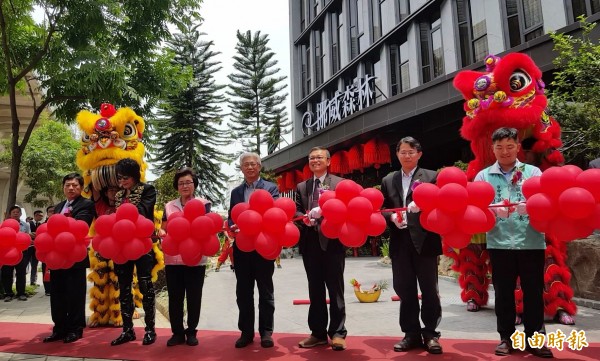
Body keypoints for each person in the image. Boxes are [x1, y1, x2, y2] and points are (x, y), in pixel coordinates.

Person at [474, 127, 552, 358]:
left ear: (518, 147)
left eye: (509, 146)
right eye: (499, 147)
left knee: (534, 293)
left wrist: (531, 207)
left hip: (530, 241)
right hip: (499, 244)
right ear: (493, 149)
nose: (505, 152)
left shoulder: (533, 172)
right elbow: (476, 209)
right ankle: (506, 338)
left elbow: (547, 203)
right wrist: (493, 212)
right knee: (504, 293)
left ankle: (535, 340)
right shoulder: (483, 177)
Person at [381, 137, 443, 354]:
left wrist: (424, 206)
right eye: (402, 152)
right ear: (397, 154)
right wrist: (391, 218)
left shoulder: (432, 176)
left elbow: (440, 204)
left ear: (419, 154)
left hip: (425, 240)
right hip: (400, 242)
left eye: (411, 152)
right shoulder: (389, 179)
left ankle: (431, 334)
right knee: (404, 289)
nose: (406, 156)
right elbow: (384, 207)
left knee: (429, 290)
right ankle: (411, 333)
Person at [294, 146, 347, 351]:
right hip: (311, 244)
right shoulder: (302, 187)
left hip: (333, 243)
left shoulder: (339, 184)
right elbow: (297, 210)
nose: (315, 160)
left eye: (319, 157)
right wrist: (304, 219)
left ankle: (338, 333)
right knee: (315, 290)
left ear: (328, 161)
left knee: (335, 290)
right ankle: (317, 333)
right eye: (311, 158)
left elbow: (345, 208)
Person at [228, 152, 278, 348]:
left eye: (253, 164)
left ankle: (266, 332)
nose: (249, 167)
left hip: (264, 245)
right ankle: (246, 333)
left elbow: (274, 213)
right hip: (242, 247)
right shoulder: (236, 192)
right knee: (243, 292)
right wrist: (233, 226)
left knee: (266, 291)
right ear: (241, 168)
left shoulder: (271, 188)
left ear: (259, 167)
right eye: (245, 164)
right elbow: (232, 216)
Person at [159, 167, 210, 347]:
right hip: (173, 259)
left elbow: (209, 227)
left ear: (194, 184)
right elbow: (163, 227)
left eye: (188, 182)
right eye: (181, 183)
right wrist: (161, 231)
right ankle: (177, 333)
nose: (184, 186)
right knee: (175, 298)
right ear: (176, 186)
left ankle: (192, 332)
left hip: (196, 259)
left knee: (194, 297)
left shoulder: (204, 203)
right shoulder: (169, 205)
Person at [43, 173, 96, 343]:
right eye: (67, 185)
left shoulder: (87, 204)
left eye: (75, 185)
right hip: (57, 257)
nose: (71, 188)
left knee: (75, 295)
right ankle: (59, 328)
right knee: (57, 294)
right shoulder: (58, 207)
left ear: (81, 187)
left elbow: (81, 226)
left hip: (75, 257)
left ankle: (75, 329)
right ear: (63, 187)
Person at [111, 158, 158, 346]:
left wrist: (123, 213)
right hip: (122, 245)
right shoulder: (118, 195)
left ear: (134, 176)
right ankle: (127, 330)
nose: (121, 182)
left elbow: (143, 211)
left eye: (125, 178)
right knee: (123, 287)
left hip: (142, 244)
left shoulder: (147, 190)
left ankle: (150, 330)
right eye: (119, 178)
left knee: (146, 286)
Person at [1, 206, 33, 302]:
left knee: (21, 273)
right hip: (7, 253)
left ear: (20, 214)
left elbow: (28, 237)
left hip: (22, 253)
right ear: (10, 214)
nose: (15, 213)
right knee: (7, 274)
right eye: (13, 212)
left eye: (17, 212)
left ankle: (21, 293)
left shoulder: (25, 225)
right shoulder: (5, 224)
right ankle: (8, 293)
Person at [28, 210, 44, 286]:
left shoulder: (41, 225)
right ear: (36, 215)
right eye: (41, 216)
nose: (42, 217)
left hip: (36, 248)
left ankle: (33, 281)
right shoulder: (28, 224)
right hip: (28, 247)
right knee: (25, 265)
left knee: (35, 264)